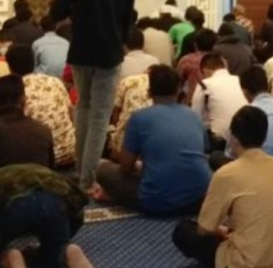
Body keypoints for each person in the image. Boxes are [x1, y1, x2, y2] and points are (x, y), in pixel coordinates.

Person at [172, 106, 273, 268]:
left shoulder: (226, 174)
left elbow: (204, 228)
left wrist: (222, 231)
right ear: (264, 137)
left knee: (183, 230)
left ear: (233, 137)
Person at [50, 0, 136, 191]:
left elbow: (57, 11)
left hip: (80, 51)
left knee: (83, 108)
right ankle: (87, 179)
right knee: (100, 115)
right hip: (110, 54)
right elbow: (127, 24)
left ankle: (80, 170)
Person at [95, 66, 211, 216]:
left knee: (101, 168)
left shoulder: (139, 118)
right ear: (178, 90)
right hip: (199, 199)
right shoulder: (194, 116)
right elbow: (200, 155)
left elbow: (125, 167)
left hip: (157, 201)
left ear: (149, 91)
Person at [6, 44, 76, 167]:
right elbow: (71, 114)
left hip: (39, 162)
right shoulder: (54, 81)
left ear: (9, 67)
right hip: (70, 153)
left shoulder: (13, 90)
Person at [191, 53, 248, 148]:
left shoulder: (204, 84)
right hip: (247, 137)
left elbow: (195, 118)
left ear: (205, 71)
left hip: (220, 143)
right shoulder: (240, 80)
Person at [109, 73, 152, 159]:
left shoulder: (128, 81)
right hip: (149, 151)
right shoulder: (162, 89)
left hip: (123, 148)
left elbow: (115, 110)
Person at [177, 28, 218, 100]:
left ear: (195, 45)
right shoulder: (221, 61)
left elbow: (178, 82)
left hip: (192, 100)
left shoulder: (187, 60)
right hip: (215, 99)